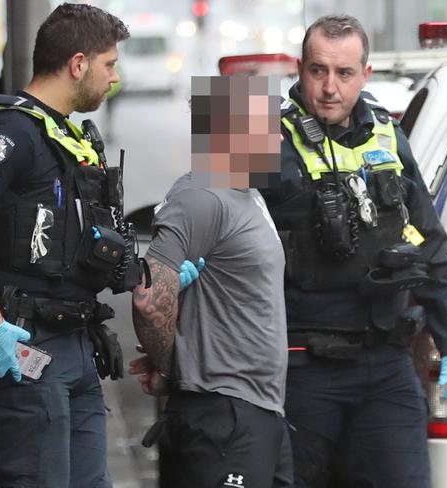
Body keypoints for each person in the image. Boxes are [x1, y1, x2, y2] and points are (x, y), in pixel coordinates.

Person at [260, 14, 447, 488]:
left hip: (384, 363)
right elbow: (203, 228)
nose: (330, 88)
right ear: (300, 68)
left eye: (345, 73)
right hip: (299, 370)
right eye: (318, 71)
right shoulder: (254, 129)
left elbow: (428, 238)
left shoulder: (386, 133)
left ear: (366, 74)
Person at [0, 4, 132, 487]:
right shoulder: (10, 130)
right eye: (109, 64)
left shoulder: (65, 134)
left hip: (76, 345)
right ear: (78, 64)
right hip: (25, 348)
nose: (114, 78)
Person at [129, 75, 293, 488]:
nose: (277, 137)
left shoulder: (247, 193)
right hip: (223, 414)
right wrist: (170, 369)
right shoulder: (202, 196)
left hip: (259, 411)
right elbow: (150, 299)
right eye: (268, 126)